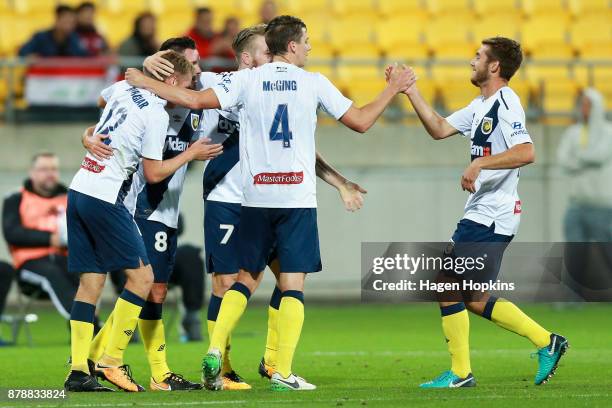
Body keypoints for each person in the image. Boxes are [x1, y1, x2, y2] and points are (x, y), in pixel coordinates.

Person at [126, 14, 415, 391]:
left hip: (254, 198)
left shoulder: (243, 81)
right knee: (292, 284)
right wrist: (393, 88)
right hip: (293, 197)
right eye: (307, 41)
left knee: (245, 279)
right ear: (291, 46)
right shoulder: (312, 83)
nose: (310, 47)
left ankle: (219, 350)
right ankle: (281, 370)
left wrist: (142, 77)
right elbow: (359, 121)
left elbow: (192, 98)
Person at [398, 37, 568, 388]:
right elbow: (440, 128)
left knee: (449, 285)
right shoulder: (481, 105)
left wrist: (479, 164)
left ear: (494, 66)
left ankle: (463, 372)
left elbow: (526, 152)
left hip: (490, 216)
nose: (470, 61)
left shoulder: (506, 102)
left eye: (478, 56)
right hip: (485, 213)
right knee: (470, 296)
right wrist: (411, 92)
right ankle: (544, 342)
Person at [63, 51, 215, 393]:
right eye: (188, 82)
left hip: (79, 189)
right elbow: (153, 172)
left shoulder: (121, 88)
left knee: (90, 284)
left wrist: (88, 135)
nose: (191, 89)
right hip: (108, 196)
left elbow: (102, 104)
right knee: (143, 278)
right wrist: (191, 154)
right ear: (172, 82)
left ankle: (77, 371)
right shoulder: (156, 114)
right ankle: (111, 361)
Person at [2, 153, 79, 323]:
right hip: (30, 263)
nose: (50, 173)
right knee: (52, 273)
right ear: (32, 172)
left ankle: (109, 326)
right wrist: (49, 238)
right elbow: (12, 232)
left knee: (89, 273)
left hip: (66, 258)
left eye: (54, 169)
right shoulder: (16, 198)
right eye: (44, 169)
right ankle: (88, 324)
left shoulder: (70, 198)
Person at [558, 89, 612, 242]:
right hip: (577, 204)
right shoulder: (573, 132)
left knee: (607, 255)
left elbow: (599, 157)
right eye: (582, 105)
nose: (584, 109)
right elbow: (563, 160)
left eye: (588, 105)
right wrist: (585, 159)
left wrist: (576, 156)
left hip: (603, 206)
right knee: (575, 255)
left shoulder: (608, 132)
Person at [19, 5, 87, 57]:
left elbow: (84, 55)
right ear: (57, 20)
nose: (69, 26)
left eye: (72, 22)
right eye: (66, 21)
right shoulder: (40, 37)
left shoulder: (74, 38)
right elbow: (23, 52)